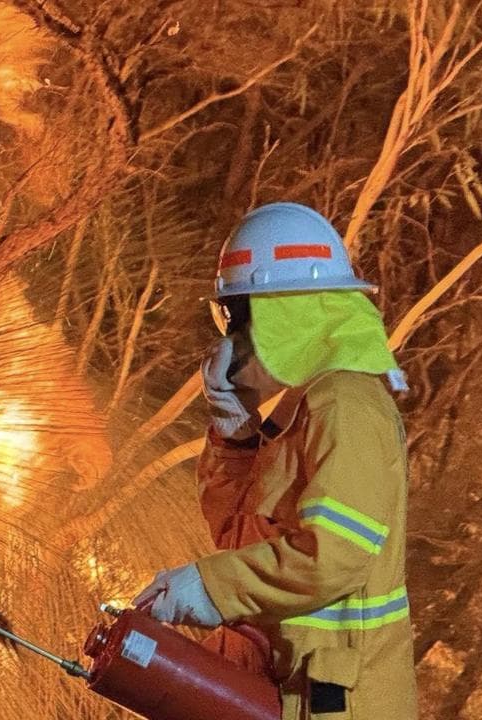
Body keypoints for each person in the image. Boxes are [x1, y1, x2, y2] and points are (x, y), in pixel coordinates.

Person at [134, 202, 417, 719]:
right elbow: (238, 536)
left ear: (281, 314)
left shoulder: (347, 406)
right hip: (291, 692)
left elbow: (334, 554)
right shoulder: (305, 405)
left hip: (340, 703)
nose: (233, 336)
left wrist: (212, 586)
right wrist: (233, 436)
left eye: (240, 316)